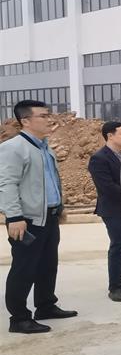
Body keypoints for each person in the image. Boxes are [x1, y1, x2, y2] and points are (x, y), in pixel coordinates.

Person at [0, 100, 77, 334]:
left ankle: (45, 305)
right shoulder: (13, 148)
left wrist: (59, 207)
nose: (49, 119)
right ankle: (19, 318)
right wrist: (14, 216)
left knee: (47, 265)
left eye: (48, 115)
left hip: (48, 217)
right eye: (43, 116)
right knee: (24, 269)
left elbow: (51, 181)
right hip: (27, 220)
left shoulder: (44, 147)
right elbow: (7, 184)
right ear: (25, 121)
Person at [88, 121, 121, 302]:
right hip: (113, 209)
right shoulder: (99, 158)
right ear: (110, 136)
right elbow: (106, 187)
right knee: (119, 244)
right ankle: (115, 286)